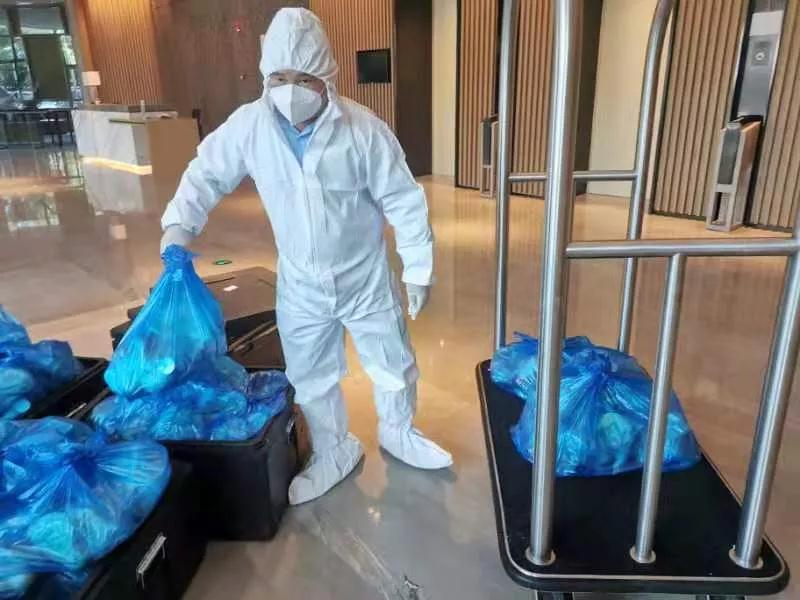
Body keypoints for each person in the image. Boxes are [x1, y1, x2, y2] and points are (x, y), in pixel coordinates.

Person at [160, 7, 452, 505]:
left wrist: (417, 268)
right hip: (300, 283)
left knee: (391, 361)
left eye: (303, 78)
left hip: (364, 276)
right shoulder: (249, 127)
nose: (290, 90)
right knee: (310, 375)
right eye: (279, 77)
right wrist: (178, 226)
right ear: (265, 76)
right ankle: (334, 449)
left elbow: (403, 198)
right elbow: (206, 173)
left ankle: (398, 432)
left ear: (326, 77)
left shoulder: (363, 129)